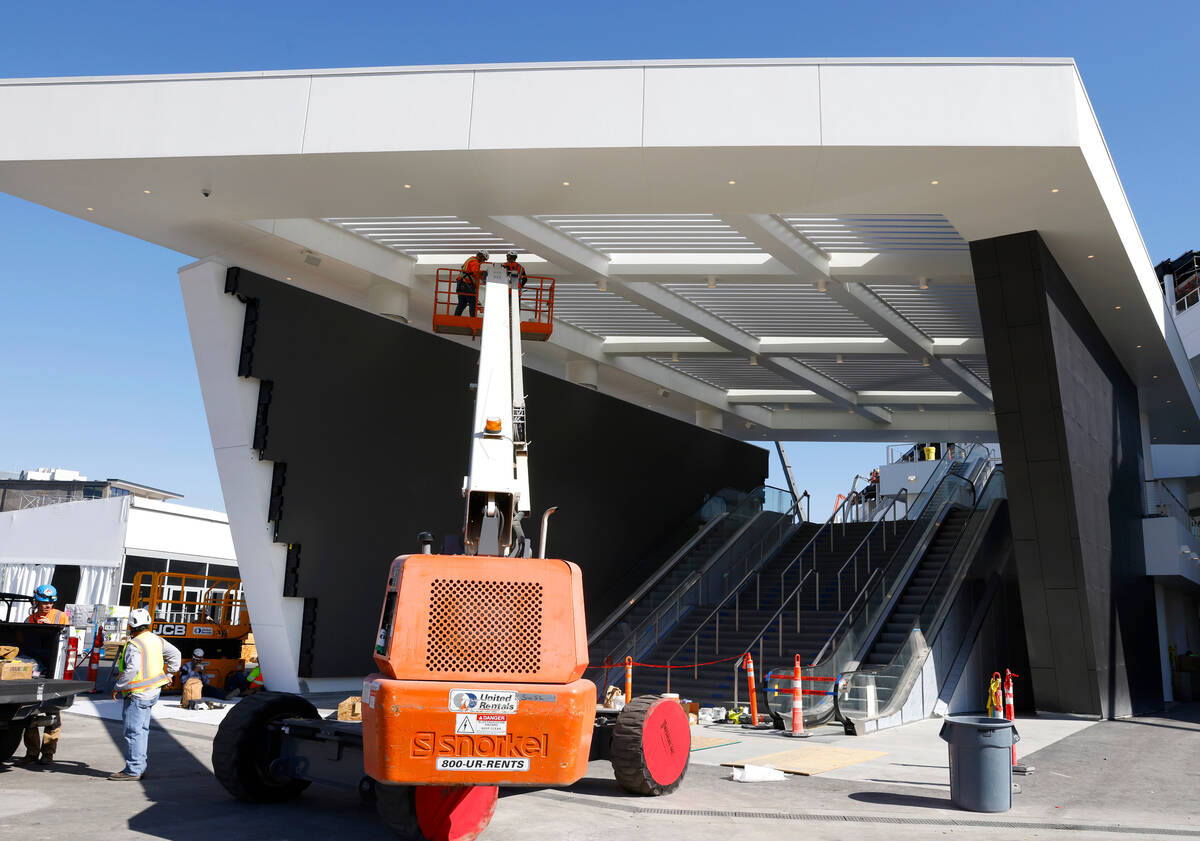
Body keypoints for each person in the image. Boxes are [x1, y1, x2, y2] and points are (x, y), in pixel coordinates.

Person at [108, 608, 180, 781]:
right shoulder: (156, 639)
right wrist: (169, 674)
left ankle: (134, 769)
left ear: (131, 625)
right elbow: (176, 655)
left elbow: (132, 669)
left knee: (133, 732)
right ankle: (139, 766)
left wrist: (118, 686)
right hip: (153, 691)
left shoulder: (135, 644)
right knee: (142, 730)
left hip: (138, 694)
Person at [16, 584, 70, 765]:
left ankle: (48, 754)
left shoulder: (60, 616)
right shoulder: (30, 618)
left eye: (50, 603)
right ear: (36, 601)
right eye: (43, 602)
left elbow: (65, 637)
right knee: (29, 713)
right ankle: (32, 753)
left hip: (54, 666)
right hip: (37, 666)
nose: (47, 606)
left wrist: (51, 627)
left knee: (52, 714)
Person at [455, 250, 488, 317]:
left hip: (461, 284)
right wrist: (483, 275)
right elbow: (475, 272)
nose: (483, 262)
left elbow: (470, 271)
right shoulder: (475, 262)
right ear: (481, 256)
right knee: (473, 303)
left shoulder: (471, 259)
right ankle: (473, 319)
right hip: (467, 285)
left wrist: (481, 272)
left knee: (462, 303)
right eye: (484, 259)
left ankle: (456, 317)